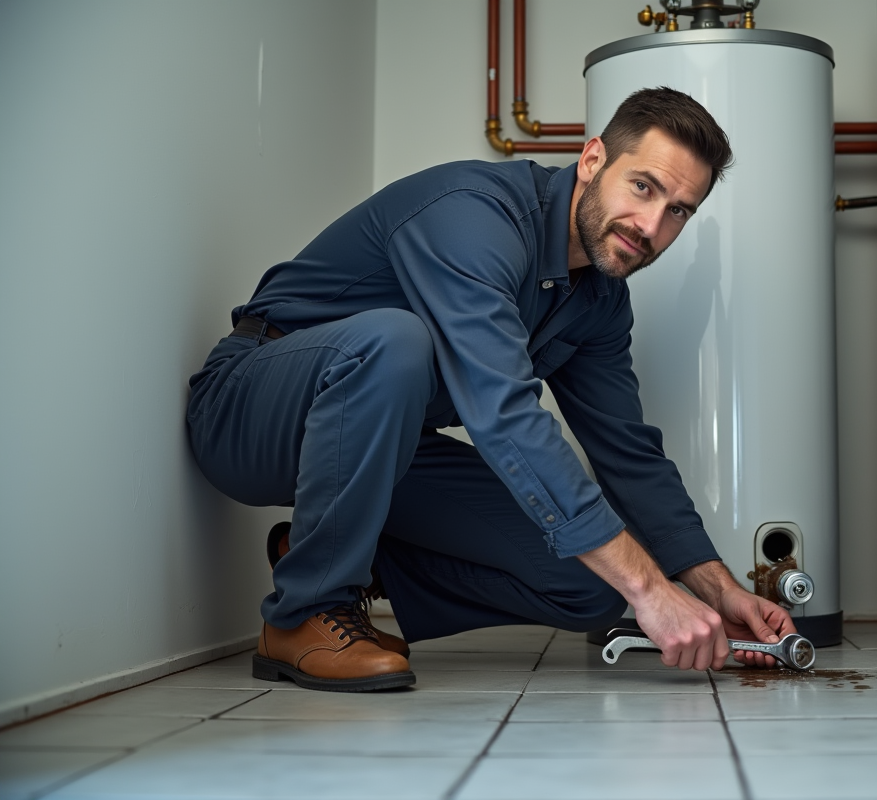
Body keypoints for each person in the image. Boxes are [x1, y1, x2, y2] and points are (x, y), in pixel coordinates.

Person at [186, 86, 797, 692]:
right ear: (591, 161)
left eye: (679, 211)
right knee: (396, 341)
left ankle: (331, 553)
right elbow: (503, 414)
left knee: (593, 585)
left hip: (384, 452)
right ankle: (303, 613)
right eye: (644, 187)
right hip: (249, 409)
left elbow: (628, 453)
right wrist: (652, 589)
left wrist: (718, 591)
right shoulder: (474, 215)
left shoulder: (602, 301)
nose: (651, 225)